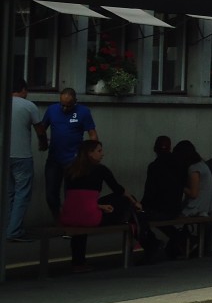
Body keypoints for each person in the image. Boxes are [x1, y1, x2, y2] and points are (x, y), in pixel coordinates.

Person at [59, 140, 156, 271]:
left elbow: (78, 199)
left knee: (80, 224)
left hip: (68, 215)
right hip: (90, 217)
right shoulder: (100, 170)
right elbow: (118, 190)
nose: (102, 154)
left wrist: (99, 206)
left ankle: (78, 262)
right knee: (124, 201)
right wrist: (134, 201)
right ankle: (146, 239)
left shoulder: (70, 169)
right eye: (99, 151)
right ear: (90, 153)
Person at [41, 87, 97, 220]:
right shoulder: (52, 110)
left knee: (71, 194)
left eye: (68, 106)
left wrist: (90, 155)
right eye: (62, 105)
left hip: (74, 159)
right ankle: (58, 218)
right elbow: (41, 129)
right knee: (50, 194)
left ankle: (69, 220)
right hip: (54, 158)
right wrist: (43, 141)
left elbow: (93, 135)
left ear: (75, 102)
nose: (65, 109)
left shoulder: (83, 112)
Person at [7, 77, 41, 243]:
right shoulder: (29, 106)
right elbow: (39, 130)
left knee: (8, 193)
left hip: (4, 155)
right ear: (22, 89)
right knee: (22, 193)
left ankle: (6, 227)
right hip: (22, 156)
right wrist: (44, 143)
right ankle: (14, 230)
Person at [142, 135, 186, 253]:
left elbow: (150, 191)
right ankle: (178, 238)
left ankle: (152, 243)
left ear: (155, 149)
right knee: (162, 218)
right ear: (170, 148)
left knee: (139, 217)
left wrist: (142, 205)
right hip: (175, 208)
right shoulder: (179, 165)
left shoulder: (154, 167)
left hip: (159, 210)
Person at [175, 140, 212, 217]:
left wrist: (178, 185)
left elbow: (193, 194)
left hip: (196, 207)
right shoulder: (202, 165)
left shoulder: (193, 168)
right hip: (205, 206)